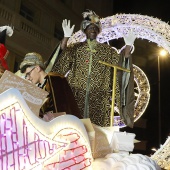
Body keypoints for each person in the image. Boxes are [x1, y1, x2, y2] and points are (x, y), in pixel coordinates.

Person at [52, 10, 136, 127]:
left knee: (97, 134)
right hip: (76, 96)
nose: (93, 29)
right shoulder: (75, 48)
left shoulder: (108, 51)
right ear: (84, 30)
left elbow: (121, 70)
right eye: (90, 27)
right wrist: (65, 38)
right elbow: (60, 64)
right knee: (74, 130)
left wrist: (127, 48)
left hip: (99, 99)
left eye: (95, 27)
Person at [19, 20, 82, 120]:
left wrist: (65, 38)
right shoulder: (38, 87)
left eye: (28, 74)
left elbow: (62, 108)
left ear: (37, 68)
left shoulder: (55, 80)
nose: (28, 78)